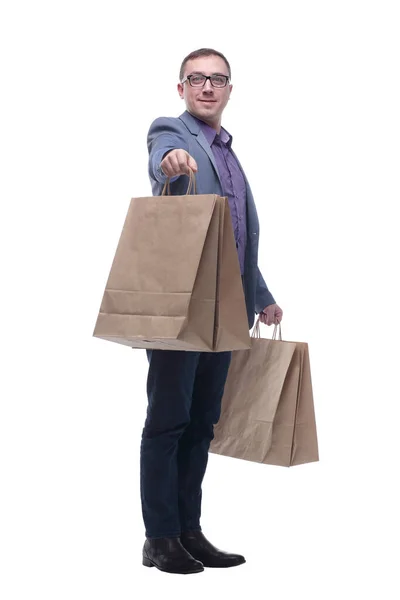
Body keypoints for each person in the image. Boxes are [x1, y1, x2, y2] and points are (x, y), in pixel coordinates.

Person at [141, 48, 283, 574]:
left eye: (217, 79)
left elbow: (236, 239)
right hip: (183, 310)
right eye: (196, 78)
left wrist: (261, 295)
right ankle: (159, 537)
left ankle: (188, 531)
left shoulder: (228, 152)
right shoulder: (172, 133)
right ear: (181, 88)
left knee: (203, 423)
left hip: (228, 312)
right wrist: (168, 165)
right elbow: (162, 157)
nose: (207, 87)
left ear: (229, 89)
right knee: (167, 423)